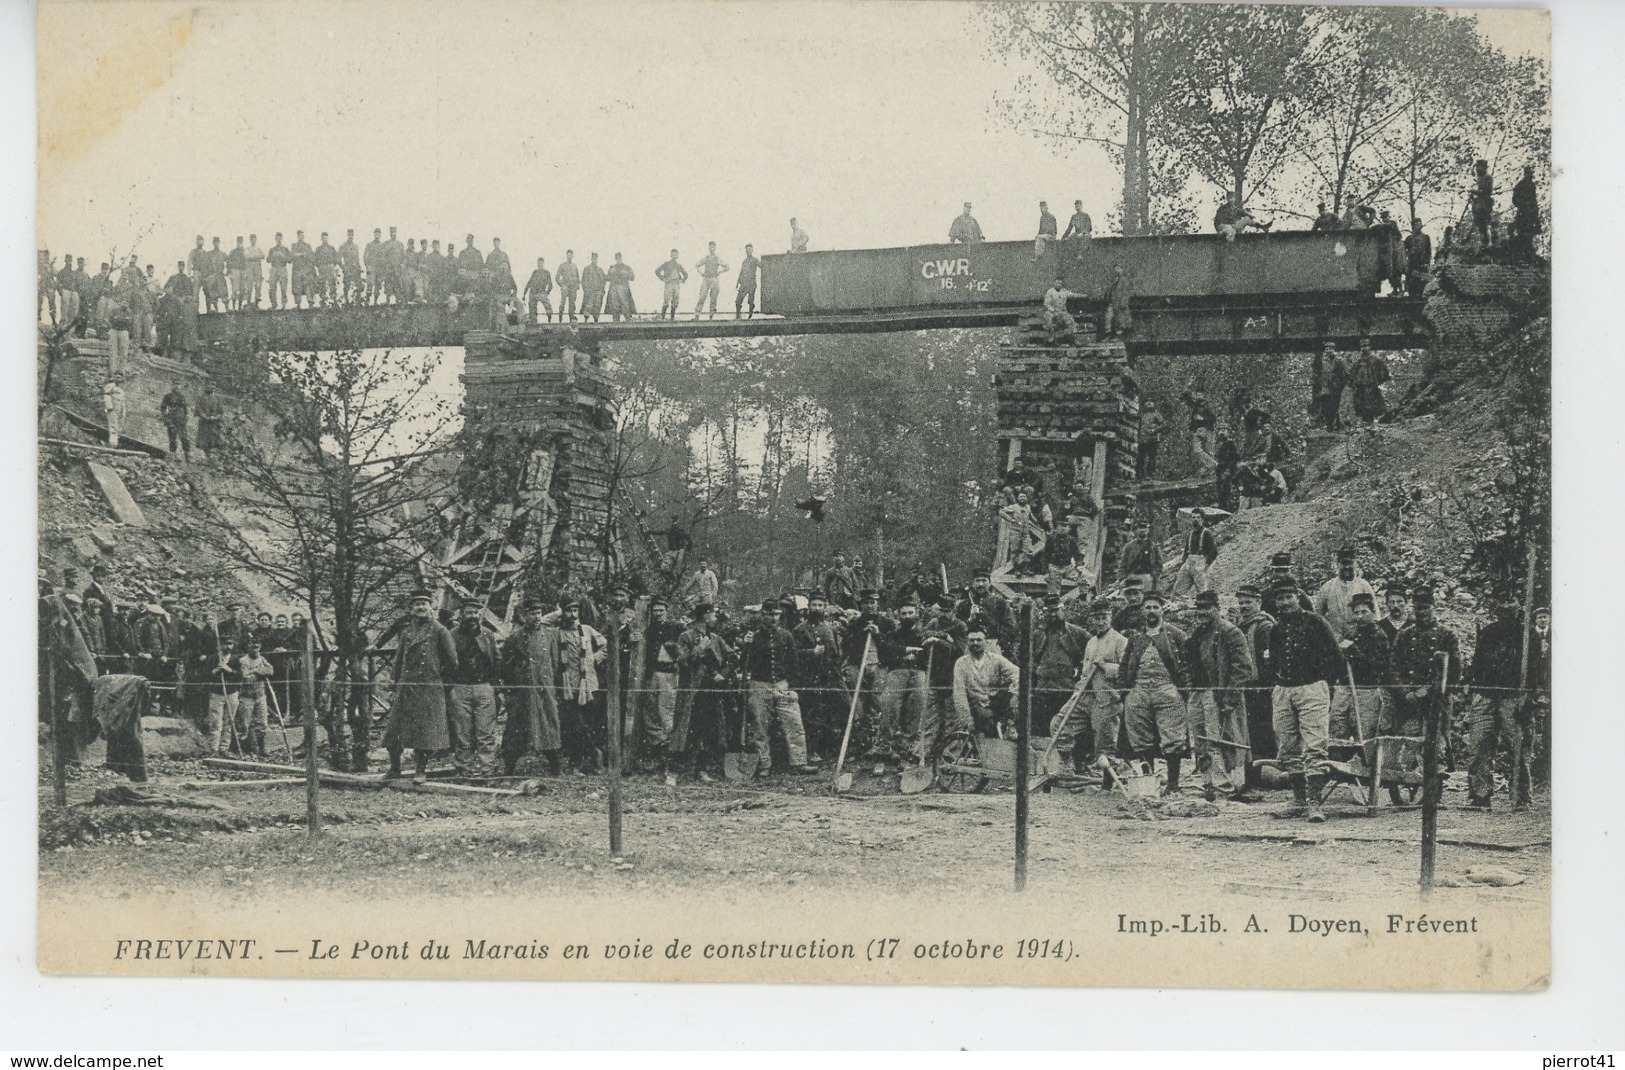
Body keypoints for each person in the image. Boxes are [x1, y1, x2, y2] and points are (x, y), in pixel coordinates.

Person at [1261, 576, 1344, 821]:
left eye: (1289, 597)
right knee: (1287, 746)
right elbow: (1273, 661)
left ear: (1298, 597)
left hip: (1312, 689)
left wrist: (1321, 683)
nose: (1285, 603)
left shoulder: (1316, 622)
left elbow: (1337, 658)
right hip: (1284, 690)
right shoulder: (1276, 629)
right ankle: (1298, 800)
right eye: (1280, 598)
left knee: (1314, 745)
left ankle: (1315, 804)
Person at [1185, 590, 1257, 799]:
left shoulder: (1230, 632)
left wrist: (1231, 697)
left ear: (1217, 609)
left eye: (1207, 608)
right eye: (1199, 608)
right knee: (1200, 740)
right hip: (1198, 693)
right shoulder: (1198, 633)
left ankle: (1225, 785)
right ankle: (1208, 782)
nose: (1202, 612)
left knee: (1218, 740)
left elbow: (1243, 668)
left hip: (1218, 694)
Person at [1118, 591, 1190, 794]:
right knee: (1140, 737)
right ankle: (1148, 782)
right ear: (1142, 611)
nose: (1151, 611)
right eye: (1148, 607)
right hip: (1139, 689)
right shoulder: (1136, 637)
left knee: (1173, 737)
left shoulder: (1175, 635)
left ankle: (1173, 784)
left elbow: (1185, 664)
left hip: (1166, 688)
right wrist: (1125, 690)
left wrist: (1183, 690)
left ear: (1162, 610)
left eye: (1155, 607)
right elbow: (1125, 665)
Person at [1464, 597, 1531, 809]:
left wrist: (1528, 698)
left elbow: (1537, 670)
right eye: (1502, 612)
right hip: (1486, 695)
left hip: (1514, 695)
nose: (1505, 616)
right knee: (1480, 744)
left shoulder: (1527, 636)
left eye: (1510, 612)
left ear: (1518, 612)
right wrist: (1472, 687)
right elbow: (1477, 664)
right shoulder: (1488, 633)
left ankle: (1521, 796)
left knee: (1516, 746)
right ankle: (1480, 795)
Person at [385, 590, 457, 784]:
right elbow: (399, 660)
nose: (420, 607)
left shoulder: (440, 630)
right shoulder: (407, 631)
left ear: (431, 606)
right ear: (411, 608)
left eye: (424, 603)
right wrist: (393, 684)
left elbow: (452, 662)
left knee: (424, 733)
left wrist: (439, 681)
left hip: (428, 687)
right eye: (416, 604)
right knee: (394, 731)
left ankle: (420, 771)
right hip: (406, 686)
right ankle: (395, 769)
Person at [739, 599, 815, 775]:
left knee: (794, 723)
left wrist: (791, 686)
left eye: (776, 614)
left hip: (781, 684)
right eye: (768, 614)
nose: (772, 618)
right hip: (759, 685)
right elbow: (745, 664)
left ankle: (799, 762)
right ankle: (764, 764)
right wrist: (746, 646)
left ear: (780, 616)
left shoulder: (786, 636)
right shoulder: (754, 637)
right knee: (760, 726)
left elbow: (793, 663)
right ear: (762, 616)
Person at [668, 602, 733, 784]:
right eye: (713, 615)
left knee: (707, 731)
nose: (715, 618)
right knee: (683, 731)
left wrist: (723, 674)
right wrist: (700, 649)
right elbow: (682, 661)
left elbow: (732, 657)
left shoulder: (716, 638)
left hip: (710, 692)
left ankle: (701, 770)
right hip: (691, 692)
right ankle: (672, 772)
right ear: (705, 615)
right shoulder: (686, 636)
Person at [499, 598, 564, 775]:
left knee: (549, 726)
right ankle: (509, 769)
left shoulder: (550, 635)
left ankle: (555, 768)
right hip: (523, 692)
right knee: (516, 728)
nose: (536, 617)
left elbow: (555, 663)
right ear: (523, 615)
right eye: (532, 613)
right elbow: (506, 666)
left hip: (545, 690)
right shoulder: (514, 638)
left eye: (538, 613)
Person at [1329, 591, 1394, 751]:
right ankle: (1340, 765)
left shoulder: (1379, 636)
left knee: (1364, 733)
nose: (1360, 616)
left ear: (1373, 613)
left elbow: (1378, 666)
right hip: (1345, 688)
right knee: (1337, 726)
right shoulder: (1350, 633)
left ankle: (1364, 767)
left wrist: (1355, 652)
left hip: (1367, 690)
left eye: (1364, 612)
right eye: (1356, 612)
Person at [551, 597, 607, 773]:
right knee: (573, 725)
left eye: (575, 610)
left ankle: (591, 760)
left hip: (589, 685)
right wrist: (557, 612)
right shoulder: (555, 632)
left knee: (588, 724)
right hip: (568, 686)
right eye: (568, 610)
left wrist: (594, 659)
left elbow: (607, 645)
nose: (572, 615)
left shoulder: (587, 630)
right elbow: (544, 621)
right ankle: (586, 758)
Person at [447, 598, 501, 776]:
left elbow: (497, 660)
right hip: (460, 688)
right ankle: (465, 768)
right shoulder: (452, 635)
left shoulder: (487, 635)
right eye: (469, 613)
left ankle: (487, 768)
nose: (473, 617)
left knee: (486, 732)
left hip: (484, 688)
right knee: (463, 733)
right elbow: (445, 662)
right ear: (461, 614)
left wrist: (496, 685)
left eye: (476, 613)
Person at [1031, 593, 1088, 741]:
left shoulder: (1077, 633)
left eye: (1056, 610)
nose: (1053, 615)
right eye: (1049, 611)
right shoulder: (1038, 635)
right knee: (1041, 728)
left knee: (1065, 729)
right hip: (1043, 689)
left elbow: (1090, 653)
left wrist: (1080, 674)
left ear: (1063, 611)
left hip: (1067, 689)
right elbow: (1031, 659)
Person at [1234, 583, 1277, 775]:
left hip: (1261, 686)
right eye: (1241, 603)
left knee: (1264, 726)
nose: (1244, 606)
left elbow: (1269, 658)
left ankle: (1267, 768)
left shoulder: (1264, 626)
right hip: (1246, 686)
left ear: (1258, 602)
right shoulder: (1240, 625)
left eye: (1248, 602)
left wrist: (1266, 683)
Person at [951, 628, 1018, 737]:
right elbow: (959, 693)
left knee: (1015, 706)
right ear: (967, 643)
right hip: (976, 705)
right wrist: (967, 719)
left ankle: (1010, 728)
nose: (975, 643)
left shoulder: (996, 659)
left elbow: (1017, 674)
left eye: (979, 640)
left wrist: (1015, 693)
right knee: (985, 722)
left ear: (986, 642)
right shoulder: (961, 664)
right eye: (972, 640)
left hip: (996, 702)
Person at [1312, 547, 1376, 637]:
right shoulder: (1327, 588)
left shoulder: (1364, 586)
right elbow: (1318, 617)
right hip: (1335, 640)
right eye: (1343, 563)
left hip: (1360, 639)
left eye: (1350, 563)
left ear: (1355, 564)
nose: (1347, 567)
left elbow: (1376, 615)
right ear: (1338, 564)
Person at [233, 636, 275, 757]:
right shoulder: (243, 661)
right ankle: (244, 749)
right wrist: (260, 672)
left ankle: (262, 748)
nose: (255, 649)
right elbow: (246, 679)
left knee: (262, 723)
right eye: (252, 647)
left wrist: (257, 671)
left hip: (260, 695)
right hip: (246, 696)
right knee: (244, 724)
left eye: (257, 647)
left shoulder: (262, 659)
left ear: (260, 647)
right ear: (248, 647)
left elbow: (271, 670)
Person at [958, 568, 1015, 654]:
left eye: (984, 580)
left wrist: (1000, 643)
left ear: (990, 583)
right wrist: (970, 619)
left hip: (992, 645)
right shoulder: (964, 604)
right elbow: (957, 628)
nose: (980, 584)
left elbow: (1010, 625)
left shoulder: (1000, 602)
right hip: (970, 646)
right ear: (973, 583)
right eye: (977, 581)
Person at [1170, 510, 1217, 599]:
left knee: (1202, 592)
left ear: (1202, 520)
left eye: (1198, 517)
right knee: (1178, 588)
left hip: (1200, 564)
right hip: (1189, 563)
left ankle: (1203, 608)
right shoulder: (1190, 534)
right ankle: (1174, 606)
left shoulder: (1207, 533)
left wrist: (1206, 565)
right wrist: (1184, 561)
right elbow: (1186, 550)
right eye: (1193, 517)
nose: (1196, 519)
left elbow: (1214, 551)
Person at [158, 261, 198, 358]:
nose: (181, 267)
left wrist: (186, 298)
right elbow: (166, 287)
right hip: (174, 301)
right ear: (178, 266)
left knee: (183, 323)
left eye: (182, 266)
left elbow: (191, 292)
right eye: (179, 266)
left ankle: (181, 348)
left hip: (183, 301)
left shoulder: (187, 279)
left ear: (183, 267)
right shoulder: (173, 278)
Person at [1349, 338, 1390, 425]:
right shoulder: (1358, 361)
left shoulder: (1376, 360)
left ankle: (1372, 422)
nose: (1364, 348)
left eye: (1366, 346)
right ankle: (1366, 422)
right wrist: (1353, 384)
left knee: (1372, 404)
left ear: (1369, 347)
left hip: (1371, 386)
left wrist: (1379, 381)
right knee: (1361, 404)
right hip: (1360, 387)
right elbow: (1352, 374)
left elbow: (1384, 372)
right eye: (1362, 347)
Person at [1314, 342, 1349, 431]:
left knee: (1334, 407)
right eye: (1327, 349)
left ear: (1334, 350)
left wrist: (1339, 386)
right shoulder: (1323, 362)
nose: (1328, 351)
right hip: (1325, 389)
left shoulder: (1339, 362)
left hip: (1335, 389)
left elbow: (1344, 376)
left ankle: (1333, 425)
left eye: (1330, 349)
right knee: (1326, 407)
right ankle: (1330, 424)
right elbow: (1321, 375)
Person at [1119, 521, 1161, 592]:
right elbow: (1123, 563)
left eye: (1144, 528)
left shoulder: (1153, 546)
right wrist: (1123, 578)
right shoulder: (1129, 546)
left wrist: (1154, 575)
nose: (1142, 530)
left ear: (1148, 530)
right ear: (1136, 530)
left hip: (1147, 576)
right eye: (1140, 528)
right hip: (1132, 576)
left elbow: (1159, 563)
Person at [1183, 385, 1217, 474]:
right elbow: (1185, 395)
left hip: (1208, 429)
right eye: (1197, 394)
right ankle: (1213, 465)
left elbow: (1214, 417)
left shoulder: (1209, 404)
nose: (1199, 396)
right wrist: (1189, 385)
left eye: (1200, 394)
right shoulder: (1195, 404)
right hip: (1197, 429)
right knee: (1197, 450)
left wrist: (1203, 419)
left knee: (1209, 451)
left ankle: (1210, 469)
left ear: (1204, 395)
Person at [1511, 165, 1541, 262]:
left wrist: (1535, 212)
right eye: (1528, 173)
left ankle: (1528, 256)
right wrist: (1523, 205)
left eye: (1530, 174)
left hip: (1530, 214)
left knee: (1529, 234)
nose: (1529, 176)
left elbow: (1534, 200)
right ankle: (1523, 256)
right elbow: (1514, 199)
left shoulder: (1532, 185)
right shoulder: (1520, 185)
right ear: (1525, 174)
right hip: (1523, 213)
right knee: (1522, 233)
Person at [693, 242, 729, 320]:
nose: (711, 248)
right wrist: (701, 273)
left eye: (713, 247)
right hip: (706, 279)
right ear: (708, 248)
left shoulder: (717, 258)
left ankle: (711, 316)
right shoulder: (706, 258)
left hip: (714, 279)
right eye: (710, 247)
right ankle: (697, 315)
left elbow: (727, 266)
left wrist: (719, 272)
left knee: (714, 297)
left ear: (715, 248)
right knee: (702, 296)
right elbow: (697, 265)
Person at [655, 249, 688, 320]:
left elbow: (686, 274)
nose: (674, 256)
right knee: (666, 300)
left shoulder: (678, 266)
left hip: (676, 284)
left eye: (675, 255)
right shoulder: (666, 264)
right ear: (671, 255)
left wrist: (682, 280)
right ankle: (662, 317)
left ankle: (672, 317)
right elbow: (657, 271)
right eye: (673, 254)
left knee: (675, 300)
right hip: (669, 284)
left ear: (677, 256)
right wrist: (663, 278)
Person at [1403, 218, 1432, 295]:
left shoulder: (1426, 238)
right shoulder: (1409, 238)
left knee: (1422, 284)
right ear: (1414, 226)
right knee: (1412, 286)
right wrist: (1408, 256)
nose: (1419, 226)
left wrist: (1427, 262)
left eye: (1420, 224)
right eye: (1416, 225)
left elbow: (1428, 252)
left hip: (1422, 264)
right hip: (1412, 265)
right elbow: (1403, 250)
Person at [195, 383, 224, 458]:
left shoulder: (217, 398)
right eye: (210, 386)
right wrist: (204, 416)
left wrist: (216, 417)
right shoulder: (201, 397)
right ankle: (207, 455)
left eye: (214, 387)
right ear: (206, 387)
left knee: (214, 440)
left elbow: (220, 411)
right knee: (204, 440)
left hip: (214, 422)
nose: (212, 388)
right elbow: (198, 408)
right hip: (204, 422)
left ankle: (216, 456)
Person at [1102, 264, 1132, 338]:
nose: (1116, 271)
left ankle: (1119, 334)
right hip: (1113, 302)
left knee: (1120, 319)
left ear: (1122, 270)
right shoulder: (1113, 281)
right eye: (1115, 269)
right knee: (1108, 316)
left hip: (1120, 302)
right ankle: (1108, 332)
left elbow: (1126, 292)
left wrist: (1124, 301)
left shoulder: (1124, 281)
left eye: (1118, 269)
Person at [1138, 400, 1165, 479]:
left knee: (1152, 457)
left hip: (1152, 439)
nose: (1149, 403)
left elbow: (1163, 425)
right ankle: (1140, 475)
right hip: (1143, 439)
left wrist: (1155, 430)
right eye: (1147, 401)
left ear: (1154, 404)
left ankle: (1150, 474)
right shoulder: (1143, 415)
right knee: (1141, 457)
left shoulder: (1157, 414)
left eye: (1151, 401)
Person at [1470, 159, 1494, 248]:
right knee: (1479, 225)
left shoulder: (1487, 178)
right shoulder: (1478, 178)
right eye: (1476, 168)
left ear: (1483, 168)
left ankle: (1487, 243)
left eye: (1479, 167)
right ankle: (1482, 243)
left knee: (1484, 224)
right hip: (1478, 204)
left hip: (1484, 205)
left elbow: (1486, 192)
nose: (1477, 170)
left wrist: (1475, 192)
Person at [605, 253, 636, 322]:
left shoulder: (627, 267)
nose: (618, 259)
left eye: (619, 258)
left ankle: (628, 318)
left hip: (623, 288)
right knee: (614, 304)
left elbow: (632, 277)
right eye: (617, 258)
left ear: (621, 258)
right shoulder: (612, 267)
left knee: (625, 304)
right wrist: (610, 273)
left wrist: (626, 274)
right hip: (614, 288)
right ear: (615, 259)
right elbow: (607, 278)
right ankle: (615, 319)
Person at [523, 258, 554, 325]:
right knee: (532, 308)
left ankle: (549, 318)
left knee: (548, 306)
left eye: (541, 263)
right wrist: (524, 294)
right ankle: (533, 322)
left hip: (541, 292)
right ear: (537, 263)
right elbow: (529, 283)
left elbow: (550, 285)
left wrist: (546, 293)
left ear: (543, 263)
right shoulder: (535, 272)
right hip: (533, 293)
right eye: (538, 263)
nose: (539, 264)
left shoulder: (546, 272)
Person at [266, 233, 292, 310]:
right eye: (277, 238)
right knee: (272, 288)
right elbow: (267, 260)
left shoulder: (285, 249)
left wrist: (282, 256)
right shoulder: (272, 249)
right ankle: (274, 304)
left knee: (283, 288)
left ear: (282, 239)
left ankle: (283, 304)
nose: (279, 240)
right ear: (275, 239)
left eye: (280, 238)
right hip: (274, 269)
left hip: (282, 268)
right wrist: (272, 256)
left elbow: (290, 260)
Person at [314, 232, 340, 305]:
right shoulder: (318, 249)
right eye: (323, 238)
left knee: (332, 283)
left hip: (330, 267)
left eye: (326, 238)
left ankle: (334, 299)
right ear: (321, 239)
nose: (324, 239)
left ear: (328, 238)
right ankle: (323, 299)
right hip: (322, 268)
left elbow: (336, 257)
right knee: (322, 284)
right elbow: (315, 259)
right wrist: (319, 266)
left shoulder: (331, 248)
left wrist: (333, 266)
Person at [289, 230, 314, 308]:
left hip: (306, 269)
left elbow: (310, 255)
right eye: (299, 235)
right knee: (297, 286)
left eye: (302, 236)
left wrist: (301, 255)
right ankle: (298, 304)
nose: (301, 237)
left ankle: (310, 302)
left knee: (307, 285)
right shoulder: (294, 245)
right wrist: (301, 255)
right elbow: (292, 255)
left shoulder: (307, 245)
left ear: (304, 236)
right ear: (297, 236)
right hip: (297, 268)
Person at [554, 250, 580, 323]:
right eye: (568, 255)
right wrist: (562, 285)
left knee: (572, 304)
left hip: (573, 288)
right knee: (563, 303)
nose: (569, 257)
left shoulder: (575, 266)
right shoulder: (562, 265)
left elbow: (578, 277)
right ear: (566, 256)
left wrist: (577, 286)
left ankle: (571, 320)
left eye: (571, 255)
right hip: (565, 287)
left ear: (572, 256)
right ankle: (560, 318)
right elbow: (557, 278)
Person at [102, 374, 127, 449]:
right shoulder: (110, 386)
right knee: (113, 426)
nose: (118, 379)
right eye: (117, 377)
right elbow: (107, 396)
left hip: (120, 410)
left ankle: (116, 442)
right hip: (113, 409)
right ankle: (112, 443)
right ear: (114, 378)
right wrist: (109, 407)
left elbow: (123, 401)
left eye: (120, 377)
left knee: (119, 426)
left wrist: (123, 411)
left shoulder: (121, 390)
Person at [735, 244, 760, 319]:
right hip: (744, 283)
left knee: (750, 300)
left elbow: (761, 265)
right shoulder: (744, 262)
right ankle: (738, 315)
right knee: (738, 300)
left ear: (752, 250)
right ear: (745, 251)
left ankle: (750, 315)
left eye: (750, 249)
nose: (748, 251)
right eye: (747, 250)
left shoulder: (755, 260)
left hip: (751, 283)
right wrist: (738, 282)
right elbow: (741, 272)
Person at [581, 252, 608, 321]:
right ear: (591, 259)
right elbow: (583, 280)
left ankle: (596, 320)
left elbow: (604, 279)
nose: (594, 260)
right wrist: (586, 289)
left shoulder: (600, 269)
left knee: (597, 305)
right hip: (590, 290)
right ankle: (586, 320)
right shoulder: (587, 268)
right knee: (588, 305)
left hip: (598, 290)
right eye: (593, 258)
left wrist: (602, 290)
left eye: (595, 258)